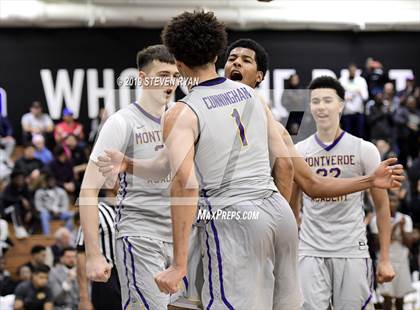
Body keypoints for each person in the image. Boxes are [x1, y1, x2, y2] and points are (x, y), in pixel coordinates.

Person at [156, 11, 300, 309]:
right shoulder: (251, 95)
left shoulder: (182, 112)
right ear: (217, 53)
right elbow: (284, 163)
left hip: (233, 217)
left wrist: (178, 264)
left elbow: (186, 186)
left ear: (178, 63)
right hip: (279, 212)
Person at [79, 44, 182, 310]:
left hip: (182, 237)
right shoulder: (121, 122)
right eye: (162, 75)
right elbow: (89, 190)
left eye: (174, 75)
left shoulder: (183, 119)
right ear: (143, 78)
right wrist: (93, 255)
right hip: (140, 235)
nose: (169, 82)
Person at [291, 76, 395, 309]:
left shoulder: (364, 149)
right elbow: (292, 207)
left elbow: (382, 207)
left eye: (328, 100)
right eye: (315, 101)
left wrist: (385, 259)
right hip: (310, 250)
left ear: (341, 105)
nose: (321, 106)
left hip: (352, 249)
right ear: (309, 107)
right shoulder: (299, 150)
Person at [370, 191, 415, 310]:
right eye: (389, 201)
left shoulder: (405, 219)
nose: (392, 203)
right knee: (387, 297)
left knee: (401, 297)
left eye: (394, 201)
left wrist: (401, 227)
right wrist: (394, 227)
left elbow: (409, 243)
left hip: (402, 261)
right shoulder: (376, 219)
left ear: (398, 203)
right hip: (385, 260)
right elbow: (377, 244)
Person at [76, 199, 120, 310]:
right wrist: (84, 298)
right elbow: (81, 253)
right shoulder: (95, 211)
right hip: (107, 277)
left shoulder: (130, 209)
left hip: (130, 275)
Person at [2, 170, 36, 238]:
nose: (20, 181)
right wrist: (20, 199)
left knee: (35, 213)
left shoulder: (24, 187)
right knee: (15, 206)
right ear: (13, 180)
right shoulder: (9, 188)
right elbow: (6, 198)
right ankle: (19, 228)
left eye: (21, 179)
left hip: (20, 212)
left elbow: (30, 199)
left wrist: (30, 211)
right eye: (18, 179)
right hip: (7, 211)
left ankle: (30, 232)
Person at [339, 63, 369, 138]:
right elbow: (337, 96)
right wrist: (345, 97)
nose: (352, 72)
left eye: (354, 71)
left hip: (358, 112)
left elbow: (365, 96)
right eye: (350, 71)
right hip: (347, 113)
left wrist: (360, 92)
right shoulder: (342, 81)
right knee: (347, 136)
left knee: (359, 135)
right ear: (348, 71)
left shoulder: (361, 81)